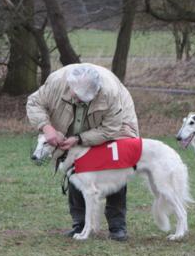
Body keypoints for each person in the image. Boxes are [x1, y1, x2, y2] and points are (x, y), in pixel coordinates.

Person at [26, 63, 139, 241]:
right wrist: (46, 127)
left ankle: (117, 225)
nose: (80, 100)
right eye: (77, 96)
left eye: (85, 98)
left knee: (114, 165)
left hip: (116, 125)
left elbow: (110, 129)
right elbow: (34, 103)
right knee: (75, 169)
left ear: (96, 91)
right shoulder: (56, 82)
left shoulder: (110, 93)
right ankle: (80, 224)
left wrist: (79, 139)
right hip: (71, 123)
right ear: (70, 86)